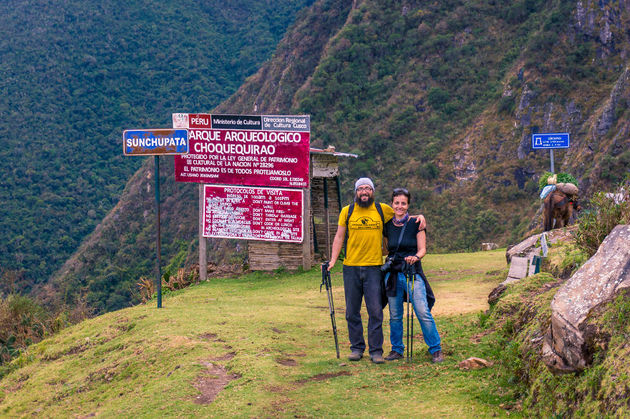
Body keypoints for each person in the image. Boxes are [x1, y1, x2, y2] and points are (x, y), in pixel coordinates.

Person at [328, 178, 426, 364]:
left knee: (375, 311)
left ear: (372, 191)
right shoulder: (346, 212)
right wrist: (333, 260)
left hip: (374, 268)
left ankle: (376, 351)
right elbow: (339, 236)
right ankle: (356, 349)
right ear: (356, 192)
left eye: (368, 188)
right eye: (361, 189)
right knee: (352, 312)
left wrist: (420, 217)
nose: (364, 192)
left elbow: (402, 215)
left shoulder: (383, 210)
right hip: (351, 267)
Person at [382, 187, 443, 363]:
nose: (400, 206)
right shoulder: (387, 226)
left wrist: (415, 257)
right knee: (395, 314)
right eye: (397, 203)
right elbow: (387, 248)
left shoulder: (417, 223)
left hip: (412, 272)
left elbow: (422, 249)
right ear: (392, 204)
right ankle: (396, 349)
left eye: (403, 203)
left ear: (408, 205)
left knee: (422, 311)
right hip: (393, 275)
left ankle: (435, 349)